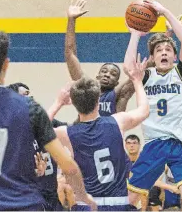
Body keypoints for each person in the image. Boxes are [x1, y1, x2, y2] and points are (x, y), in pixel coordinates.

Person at [0, 28, 96, 211]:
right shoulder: (30, 108)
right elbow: (68, 166)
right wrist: (83, 196)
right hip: (26, 206)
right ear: (6, 64)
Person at [124, 0, 182, 211]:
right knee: (130, 199)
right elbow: (129, 67)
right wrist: (135, 34)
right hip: (154, 143)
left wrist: (164, 11)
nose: (164, 52)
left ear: (175, 57)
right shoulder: (146, 76)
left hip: (180, 145)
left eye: (168, 49)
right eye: (159, 50)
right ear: (153, 57)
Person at [54, 52, 149, 210]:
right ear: (98, 101)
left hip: (87, 204)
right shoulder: (118, 121)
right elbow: (144, 110)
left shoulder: (68, 133)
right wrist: (138, 81)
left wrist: (57, 103)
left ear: (74, 104)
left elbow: (36, 129)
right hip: (117, 204)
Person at [65, 0, 137, 116]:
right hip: (85, 133)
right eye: (104, 71)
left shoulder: (118, 94)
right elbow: (70, 54)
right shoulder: (87, 89)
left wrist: (136, 35)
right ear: (97, 76)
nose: (107, 74)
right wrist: (71, 20)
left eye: (113, 74)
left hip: (109, 134)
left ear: (116, 82)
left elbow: (147, 67)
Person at [8, 82, 72, 211]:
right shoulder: (11, 126)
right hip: (27, 196)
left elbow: (75, 130)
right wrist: (58, 102)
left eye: (30, 94)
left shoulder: (49, 122)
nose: (30, 98)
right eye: (25, 95)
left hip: (52, 194)